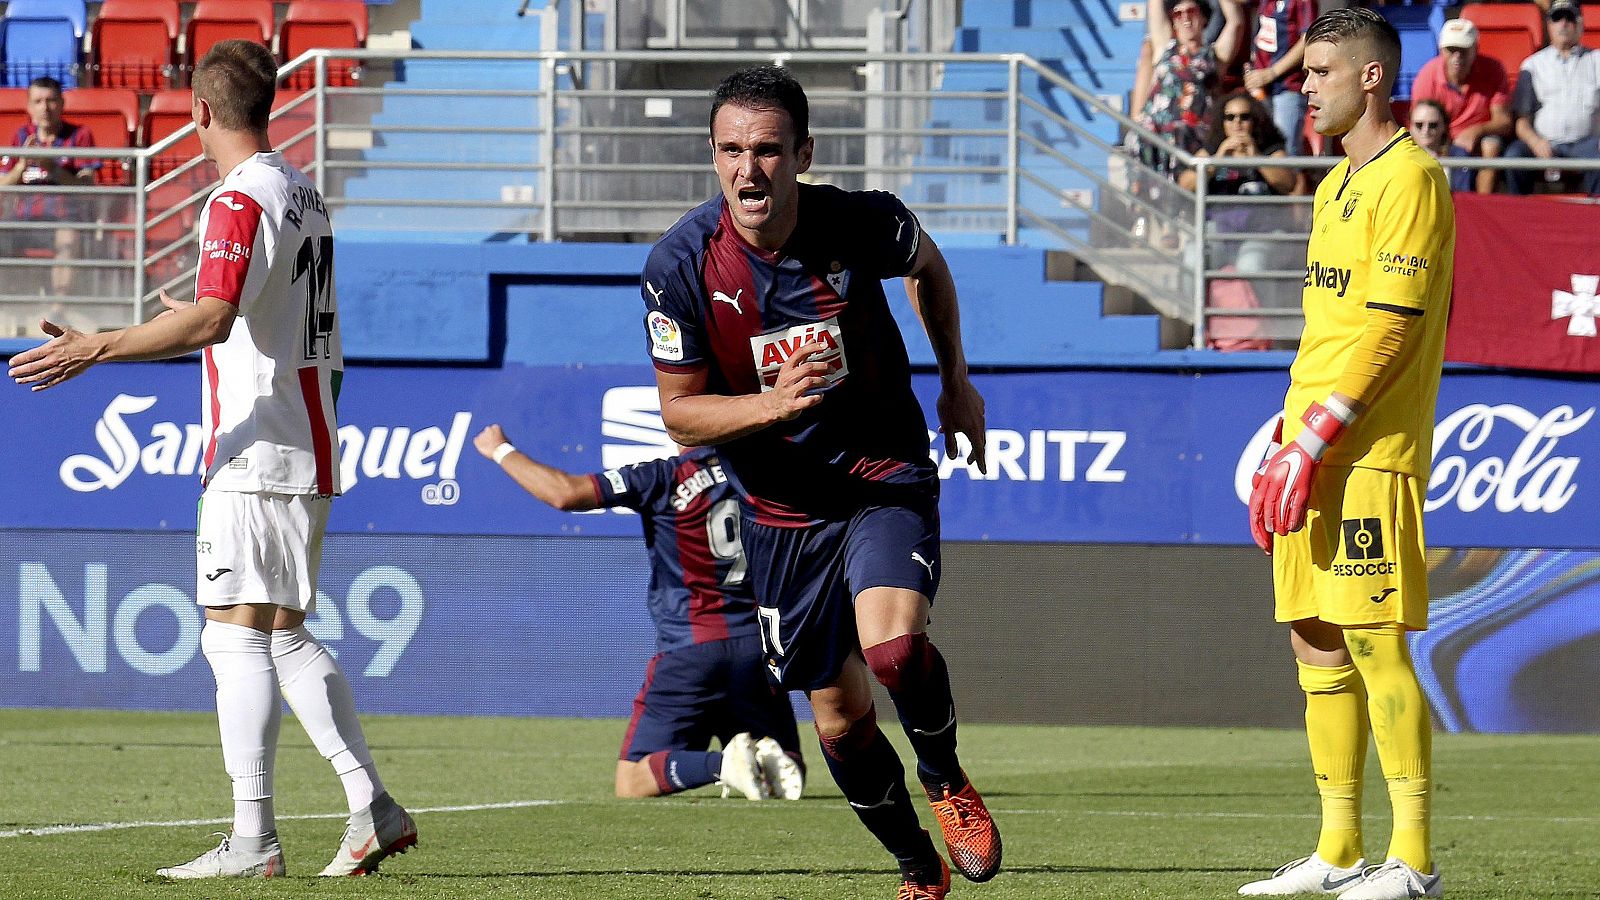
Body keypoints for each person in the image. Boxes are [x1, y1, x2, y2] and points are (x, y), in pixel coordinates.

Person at [8, 40, 415, 880]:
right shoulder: (302, 192)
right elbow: (246, 316)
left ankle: (253, 838)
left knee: (233, 638)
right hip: (307, 436)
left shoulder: (235, 199)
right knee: (281, 632)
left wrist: (100, 346)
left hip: (257, 446)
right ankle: (370, 804)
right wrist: (185, 321)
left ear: (196, 113)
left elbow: (214, 320)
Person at [641, 66, 998, 900]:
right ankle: (917, 864)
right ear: (713, 155)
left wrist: (955, 381)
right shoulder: (680, 266)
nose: (748, 170)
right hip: (780, 511)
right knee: (839, 717)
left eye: (768, 150)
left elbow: (930, 266)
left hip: (880, 474)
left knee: (896, 649)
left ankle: (945, 778)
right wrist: (769, 406)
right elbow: (680, 414)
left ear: (804, 152)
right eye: (731, 150)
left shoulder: (858, 220)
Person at [1241, 8, 1452, 899]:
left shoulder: (1414, 177)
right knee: (1315, 640)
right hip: (1309, 447)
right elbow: (1327, 331)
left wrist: (1322, 434)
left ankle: (1414, 862)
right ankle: (1338, 852)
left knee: (1373, 639)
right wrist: (1288, 441)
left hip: (1368, 451)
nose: (1305, 84)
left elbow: (1391, 330)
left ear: (1371, 77)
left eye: (1320, 70)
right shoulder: (1333, 187)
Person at [470, 423, 806, 802]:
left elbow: (565, 493)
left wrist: (500, 449)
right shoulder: (764, 473)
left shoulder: (661, 478)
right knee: (787, 766)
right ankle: (764, 756)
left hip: (691, 649)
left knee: (632, 781)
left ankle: (721, 766)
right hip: (758, 651)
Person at [0, 76, 98, 298]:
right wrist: (22, 166)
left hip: (64, 218)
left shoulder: (80, 135)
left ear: (62, 104)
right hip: (24, 219)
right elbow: (2, 183)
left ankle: (57, 309)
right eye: (38, 101)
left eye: (51, 101)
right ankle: (15, 305)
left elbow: (87, 185)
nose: (45, 108)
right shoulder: (22, 136)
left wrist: (52, 168)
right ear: (29, 107)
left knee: (67, 238)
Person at [1138, 0, 1248, 174]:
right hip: (1156, 141)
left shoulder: (1215, 56)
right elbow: (1155, 4)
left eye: (1192, 11)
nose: (1185, 17)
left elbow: (1236, 22)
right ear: (1172, 21)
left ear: (1204, 17)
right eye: (1178, 14)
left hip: (1194, 142)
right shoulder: (1164, 48)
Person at [1504, 0, 1600, 196]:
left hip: (1586, 143)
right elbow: (1521, 122)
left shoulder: (1597, 61)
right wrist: (1536, 142)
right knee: (1513, 157)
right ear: (1548, 25)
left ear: (1581, 24)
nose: (1563, 24)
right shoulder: (1532, 65)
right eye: (1557, 18)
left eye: (1570, 18)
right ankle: (1516, 218)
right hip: (1543, 142)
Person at [1410, 18, 1511, 193]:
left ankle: (1482, 206)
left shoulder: (1493, 70)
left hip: (1480, 139)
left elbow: (1503, 121)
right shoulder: (1427, 76)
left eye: (1463, 50)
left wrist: (1475, 131)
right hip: (1439, 136)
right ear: (1442, 51)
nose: (1457, 57)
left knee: (1491, 146)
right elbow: (1417, 123)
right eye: (1451, 50)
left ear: (1475, 49)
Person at [1245, 0, 1318, 154]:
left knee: (1285, 153)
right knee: (1263, 147)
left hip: (1287, 87)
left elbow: (1308, 38)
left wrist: (1272, 72)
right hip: (1261, 86)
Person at [1407, 100, 1475, 192]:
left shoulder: (1458, 155)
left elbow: (1462, 193)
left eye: (1433, 125)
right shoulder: (1400, 155)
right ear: (1410, 126)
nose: (1425, 130)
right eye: (1419, 125)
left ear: (1444, 126)